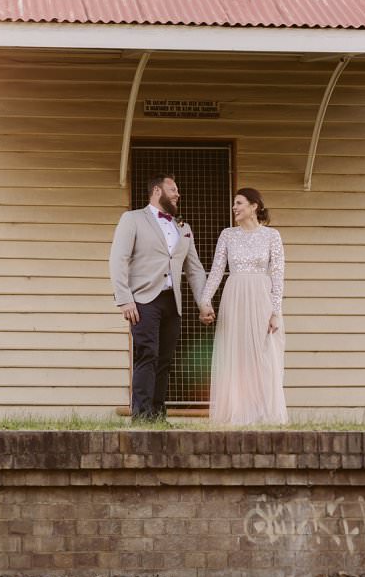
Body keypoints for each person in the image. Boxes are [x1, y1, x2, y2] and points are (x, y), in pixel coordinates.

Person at [109, 174, 207, 422]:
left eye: (177, 190)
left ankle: (157, 415)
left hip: (172, 301)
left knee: (164, 359)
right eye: (173, 189)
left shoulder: (183, 227)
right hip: (143, 299)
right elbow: (118, 258)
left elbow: (194, 269)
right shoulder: (132, 219)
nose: (177, 194)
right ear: (156, 190)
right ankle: (141, 416)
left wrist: (203, 303)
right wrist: (124, 298)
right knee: (147, 354)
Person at [199, 187, 288, 426]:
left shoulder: (272, 236)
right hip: (235, 296)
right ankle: (239, 410)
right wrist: (205, 301)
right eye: (234, 203)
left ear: (253, 206)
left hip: (261, 297)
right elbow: (217, 271)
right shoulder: (228, 235)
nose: (234, 208)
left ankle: (263, 411)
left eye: (239, 203)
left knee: (263, 353)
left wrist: (275, 312)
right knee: (237, 354)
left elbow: (278, 275)